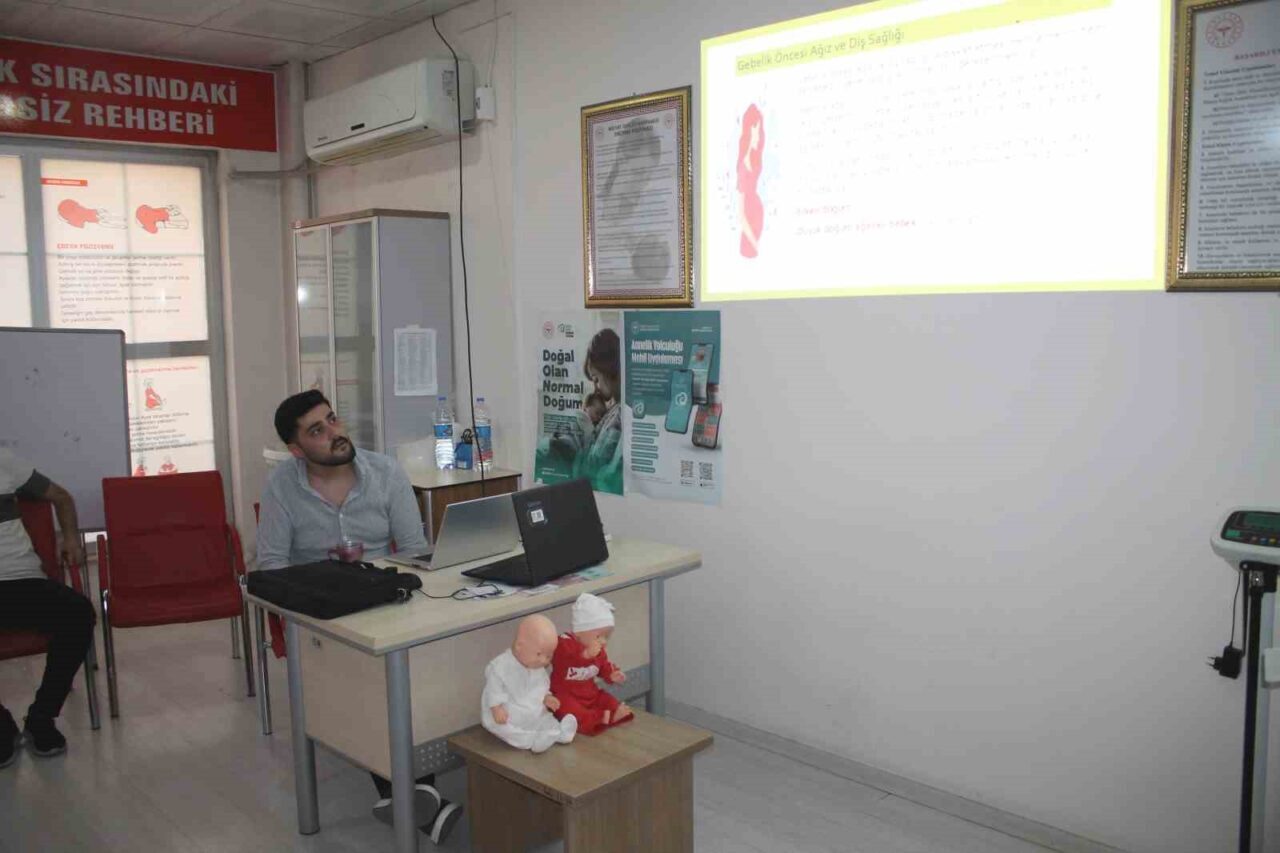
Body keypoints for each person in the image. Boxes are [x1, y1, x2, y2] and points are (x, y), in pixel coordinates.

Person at [256, 390, 462, 844]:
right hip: (322, 615)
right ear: (296, 450)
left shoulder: (385, 472)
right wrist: (322, 575)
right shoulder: (282, 488)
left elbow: (413, 550)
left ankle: (407, 793)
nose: (335, 433)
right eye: (317, 431)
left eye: (333, 420)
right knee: (373, 681)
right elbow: (269, 566)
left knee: (412, 669)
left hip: (384, 600)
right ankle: (416, 791)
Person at [0, 448, 96, 769]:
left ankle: (42, 716)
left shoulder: (4, 461)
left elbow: (61, 497)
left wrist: (70, 538)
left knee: (79, 613)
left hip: (23, 578)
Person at [481, 614, 577, 752]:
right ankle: (532, 741)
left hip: (533, 711)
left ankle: (559, 733)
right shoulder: (501, 666)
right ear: (520, 645)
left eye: (549, 656)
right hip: (508, 713)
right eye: (539, 654)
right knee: (509, 730)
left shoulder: (537, 667)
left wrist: (547, 697)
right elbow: (493, 689)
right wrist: (496, 708)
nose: (544, 661)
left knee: (546, 719)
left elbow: (541, 687)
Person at [573, 329, 624, 493]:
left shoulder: (623, 413)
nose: (595, 388)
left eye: (596, 379)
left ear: (609, 370)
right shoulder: (611, 410)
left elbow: (604, 470)